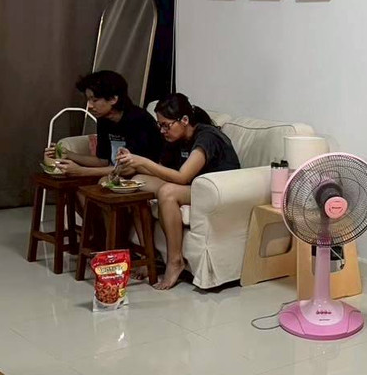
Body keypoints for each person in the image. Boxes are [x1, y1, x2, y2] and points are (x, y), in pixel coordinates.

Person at [117, 93, 240, 290]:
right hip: (194, 186)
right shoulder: (175, 139)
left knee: (168, 192)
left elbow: (182, 177)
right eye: (160, 125)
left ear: (184, 120)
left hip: (218, 191)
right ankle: (148, 256)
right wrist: (134, 164)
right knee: (137, 182)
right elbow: (163, 170)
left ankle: (175, 261)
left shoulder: (206, 137)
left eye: (166, 125)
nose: (162, 130)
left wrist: (143, 161)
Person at [46, 70, 162, 177]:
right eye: (88, 100)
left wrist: (82, 171)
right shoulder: (104, 119)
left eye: (94, 100)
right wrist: (68, 154)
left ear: (113, 99)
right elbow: (102, 161)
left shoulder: (138, 120)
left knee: (97, 184)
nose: (89, 106)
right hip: (118, 173)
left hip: (145, 174)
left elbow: (130, 168)